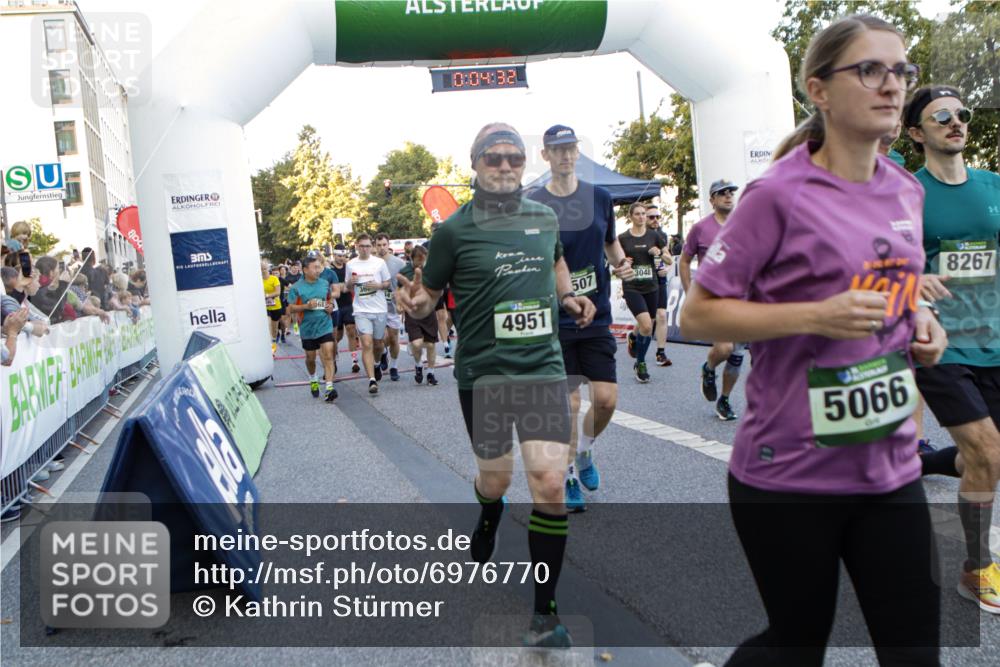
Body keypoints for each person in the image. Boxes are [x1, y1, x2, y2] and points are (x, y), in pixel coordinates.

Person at [681, 15, 945, 665]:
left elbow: (888, 289)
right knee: (795, 644)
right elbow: (697, 314)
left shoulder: (906, 190)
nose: (892, 85)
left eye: (900, 70)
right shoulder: (777, 194)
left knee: (915, 652)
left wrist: (918, 321)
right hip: (790, 470)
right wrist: (814, 316)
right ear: (819, 89)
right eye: (871, 70)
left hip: (888, 464)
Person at [396, 122, 596, 648]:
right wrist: (414, 304)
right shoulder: (453, 232)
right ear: (475, 165)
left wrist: (569, 296)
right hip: (483, 375)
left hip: (542, 369)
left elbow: (556, 261)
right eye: (494, 158)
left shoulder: (543, 216)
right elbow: (429, 298)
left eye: (513, 158)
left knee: (550, 484)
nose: (505, 166)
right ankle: (489, 512)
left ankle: (545, 614)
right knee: (498, 480)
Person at [904, 84, 1000, 612]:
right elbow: (886, 258)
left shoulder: (993, 186)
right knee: (987, 452)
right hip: (940, 344)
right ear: (917, 132)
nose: (955, 122)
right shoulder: (906, 194)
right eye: (941, 116)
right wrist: (913, 282)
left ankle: (918, 464)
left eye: (961, 114)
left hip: (996, 338)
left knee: (982, 461)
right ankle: (975, 567)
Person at [528, 123, 634, 512]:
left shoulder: (600, 197)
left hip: (597, 315)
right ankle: (570, 471)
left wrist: (621, 265)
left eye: (570, 148)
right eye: (557, 149)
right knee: (568, 405)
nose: (565, 155)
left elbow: (610, 243)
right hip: (555, 319)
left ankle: (585, 452)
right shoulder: (534, 204)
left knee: (605, 400)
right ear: (545, 156)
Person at [680, 179, 745, 421]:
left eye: (731, 192)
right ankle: (708, 368)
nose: (728, 196)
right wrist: (689, 293)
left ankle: (724, 400)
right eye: (722, 193)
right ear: (712, 200)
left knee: (737, 355)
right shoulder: (700, 228)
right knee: (725, 348)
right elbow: (684, 261)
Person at [619, 202, 667, 383]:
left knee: (647, 325)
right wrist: (623, 263)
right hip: (632, 286)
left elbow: (669, 258)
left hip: (652, 286)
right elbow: (615, 262)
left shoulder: (654, 236)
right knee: (647, 326)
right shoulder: (623, 238)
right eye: (637, 214)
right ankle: (640, 363)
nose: (641, 217)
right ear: (631, 216)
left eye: (643, 214)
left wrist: (660, 254)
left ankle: (633, 337)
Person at [286, 255, 340, 402]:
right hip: (307, 327)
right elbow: (289, 309)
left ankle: (329, 387)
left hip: (324, 324)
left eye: (319, 267)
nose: (318, 270)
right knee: (310, 358)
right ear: (305, 270)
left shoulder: (324, 283)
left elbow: (328, 301)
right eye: (315, 267)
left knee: (329, 353)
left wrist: (329, 307)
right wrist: (306, 306)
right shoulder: (296, 288)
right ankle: (313, 379)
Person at [345, 234, 391, 395]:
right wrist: (352, 282)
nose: (364, 249)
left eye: (367, 246)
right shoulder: (351, 264)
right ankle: (371, 380)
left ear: (371, 247)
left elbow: (387, 283)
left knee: (378, 344)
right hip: (361, 310)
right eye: (361, 246)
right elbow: (348, 286)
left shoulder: (379, 263)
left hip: (379, 308)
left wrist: (378, 285)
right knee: (366, 343)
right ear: (356, 246)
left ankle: (377, 362)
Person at [398, 245, 438, 386]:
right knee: (416, 344)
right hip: (413, 312)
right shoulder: (405, 272)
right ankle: (418, 364)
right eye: (418, 260)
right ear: (411, 258)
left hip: (429, 311)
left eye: (424, 260)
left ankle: (431, 373)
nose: (421, 263)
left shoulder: (431, 270)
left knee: (431, 345)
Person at [31, 255, 109, 324]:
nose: (60, 271)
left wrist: (99, 311)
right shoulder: (37, 289)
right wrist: (63, 283)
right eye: (58, 269)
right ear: (51, 273)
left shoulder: (64, 290)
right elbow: (56, 309)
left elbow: (81, 305)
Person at [375, 233, 407, 381]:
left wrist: (402, 299)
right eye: (379, 245)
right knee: (381, 339)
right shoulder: (371, 263)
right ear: (375, 246)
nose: (382, 248)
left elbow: (406, 284)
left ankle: (393, 367)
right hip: (376, 308)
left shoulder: (399, 263)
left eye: (384, 245)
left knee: (393, 339)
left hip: (393, 308)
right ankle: (382, 354)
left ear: (388, 245)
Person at [330, 245, 362, 374]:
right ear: (334, 255)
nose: (341, 258)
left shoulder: (349, 267)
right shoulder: (330, 270)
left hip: (348, 304)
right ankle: (333, 360)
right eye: (339, 256)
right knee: (337, 336)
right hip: (336, 306)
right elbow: (333, 288)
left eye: (343, 256)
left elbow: (352, 286)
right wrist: (342, 287)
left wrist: (343, 286)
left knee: (351, 331)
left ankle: (354, 361)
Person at [262, 260, 282, 353]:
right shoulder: (257, 280)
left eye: (265, 268)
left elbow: (278, 292)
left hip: (276, 306)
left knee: (274, 330)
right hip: (265, 307)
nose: (263, 270)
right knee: (268, 324)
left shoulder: (274, 279)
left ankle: (273, 348)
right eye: (261, 269)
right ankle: (270, 349)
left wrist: (266, 296)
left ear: (268, 269)